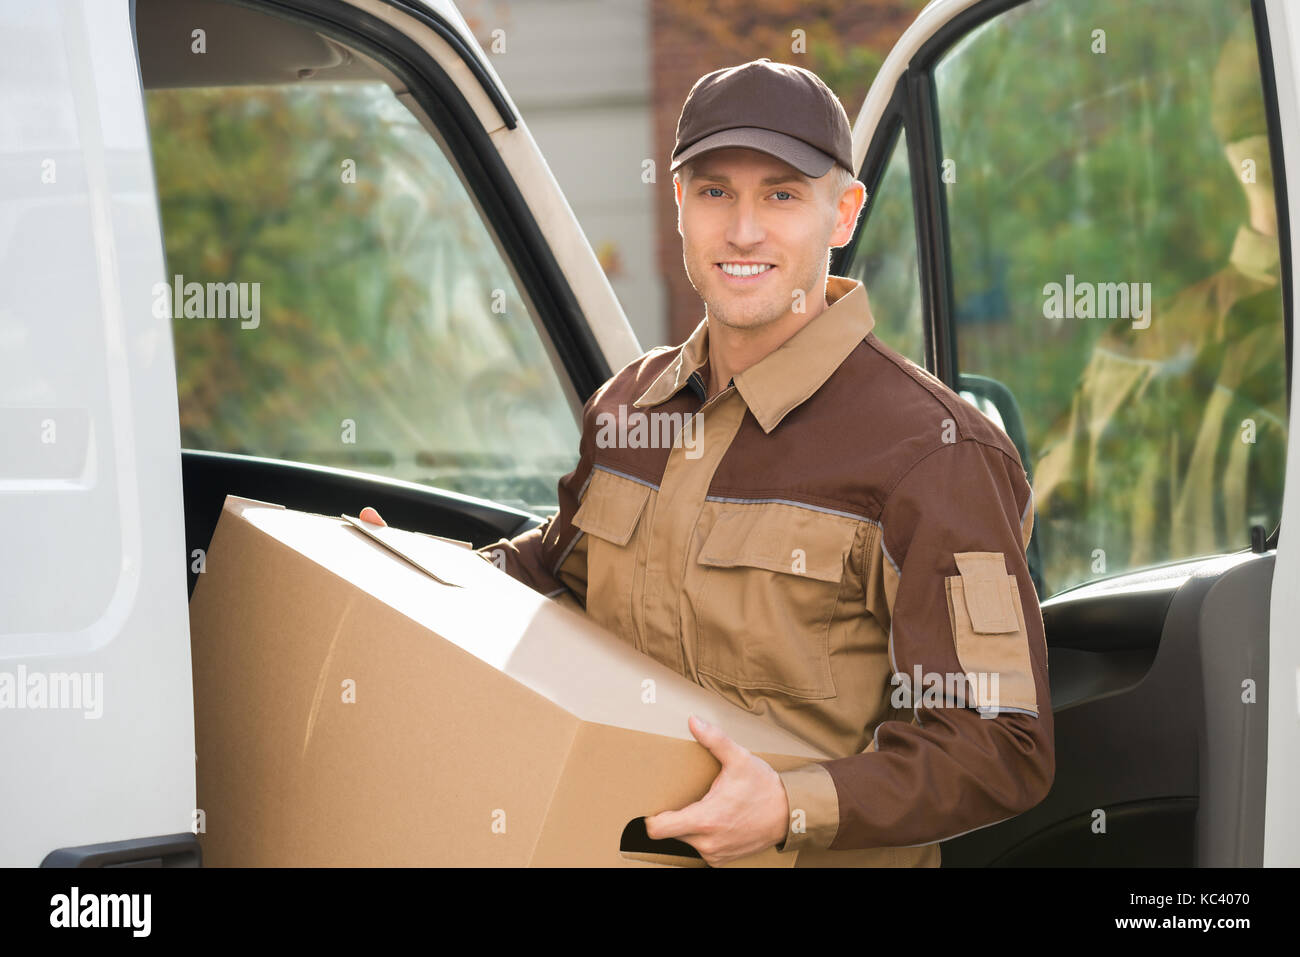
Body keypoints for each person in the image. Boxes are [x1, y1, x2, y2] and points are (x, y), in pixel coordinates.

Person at [363, 58, 1053, 867]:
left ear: (844, 213)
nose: (745, 229)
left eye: (783, 194)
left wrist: (790, 806)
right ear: (681, 204)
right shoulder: (627, 409)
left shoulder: (937, 454)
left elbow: (1002, 742)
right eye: (716, 190)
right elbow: (556, 574)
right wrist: (415, 573)